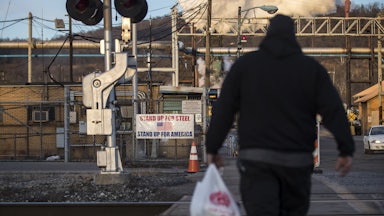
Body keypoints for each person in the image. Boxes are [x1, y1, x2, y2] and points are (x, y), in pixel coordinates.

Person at [205, 14, 355, 216]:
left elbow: (224, 109)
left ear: (268, 34)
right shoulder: (311, 70)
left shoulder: (245, 67)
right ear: (293, 35)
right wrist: (346, 149)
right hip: (297, 162)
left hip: (256, 162)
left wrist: (212, 148)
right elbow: (334, 111)